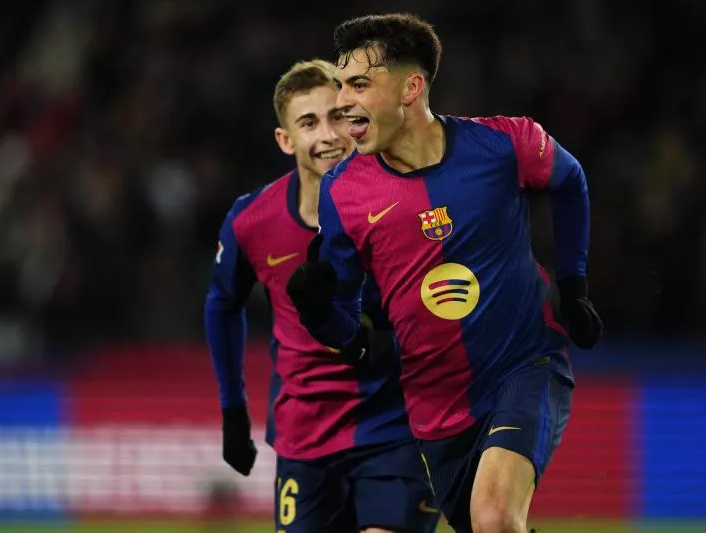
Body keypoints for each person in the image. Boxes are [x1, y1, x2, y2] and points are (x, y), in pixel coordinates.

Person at [286, 14, 602, 533]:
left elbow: (571, 182)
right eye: (340, 85)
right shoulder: (343, 191)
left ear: (411, 88)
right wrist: (321, 316)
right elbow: (351, 328)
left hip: (525, 365)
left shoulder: (505, 145)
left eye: (359, 84)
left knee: (495, 518)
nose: (342, 100)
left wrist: (573, 284)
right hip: (436, 408)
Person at [204, 59, 439, 533]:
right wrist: (232, 410)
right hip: (304, 439)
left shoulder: (406, 203)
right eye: (309, 123)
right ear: (286, 140)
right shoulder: (252, 220)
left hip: (396, 427)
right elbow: (222, 305)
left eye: (337, 117)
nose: (328, 134)